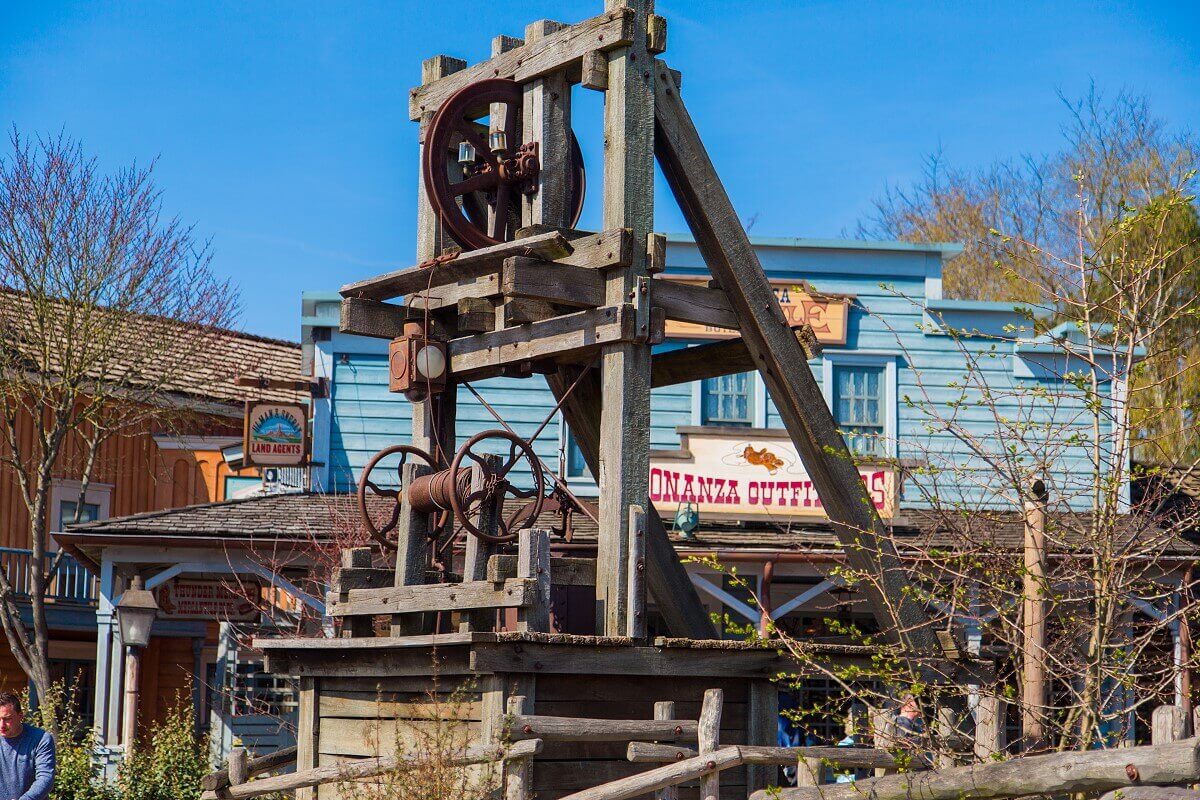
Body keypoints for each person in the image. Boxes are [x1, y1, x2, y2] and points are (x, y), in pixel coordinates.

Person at [0, 692, 55, 800]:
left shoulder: (40, 739)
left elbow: (45, 778)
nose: (1, 725)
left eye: (7, 719)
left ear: (20, 716)